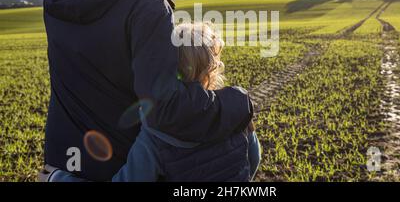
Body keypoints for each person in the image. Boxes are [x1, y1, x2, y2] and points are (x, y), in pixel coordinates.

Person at [39, 0, 253, 181]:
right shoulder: (145, 1)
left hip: (65, 161)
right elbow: (163, 109)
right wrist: (238, 102)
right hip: (123, 165)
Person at [46, 23, 261, 182]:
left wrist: (57, 178)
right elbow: (253, 157)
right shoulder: (237, 107)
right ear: (211, 68)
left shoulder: (157, 127)